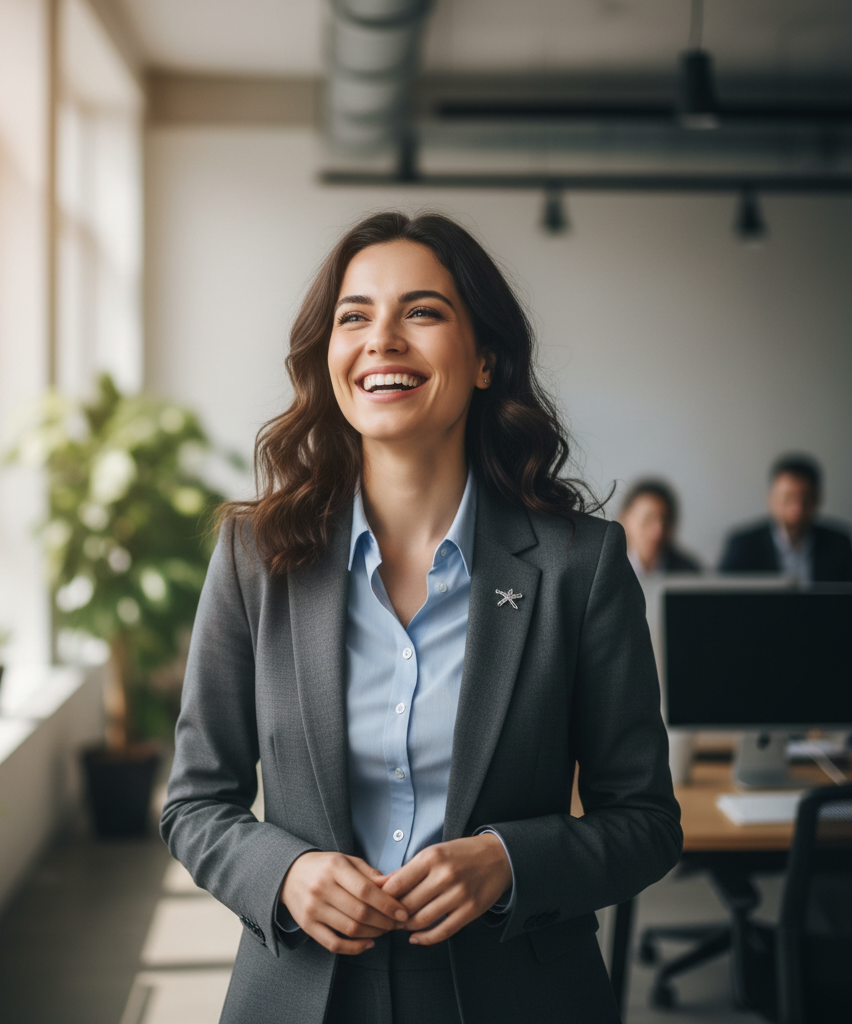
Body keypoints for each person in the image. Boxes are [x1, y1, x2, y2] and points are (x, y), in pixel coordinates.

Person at [161, 212, 682, 1024]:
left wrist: (509, 863)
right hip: (302, 995)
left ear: (484, 360)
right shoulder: (254, 556)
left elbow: (646, 822)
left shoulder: (581, 567)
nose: (383, 340)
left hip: (521, 994)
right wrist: (286, 874)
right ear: (329, 357)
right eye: (355, 316)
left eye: (423, 312)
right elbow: (194, 804)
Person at [720, 454, 852, 584]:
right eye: (787, 499)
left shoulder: (839, 544)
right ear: (771, 498)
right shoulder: (743, 545)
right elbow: (723, 597)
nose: (796, 509)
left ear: (817, 500)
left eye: (805, 500)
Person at [618, 478, 700, 578]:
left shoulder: (689, 573)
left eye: (665, 521)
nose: (658, 532)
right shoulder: (606, 569)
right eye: (647, 519)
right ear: (625, 519)